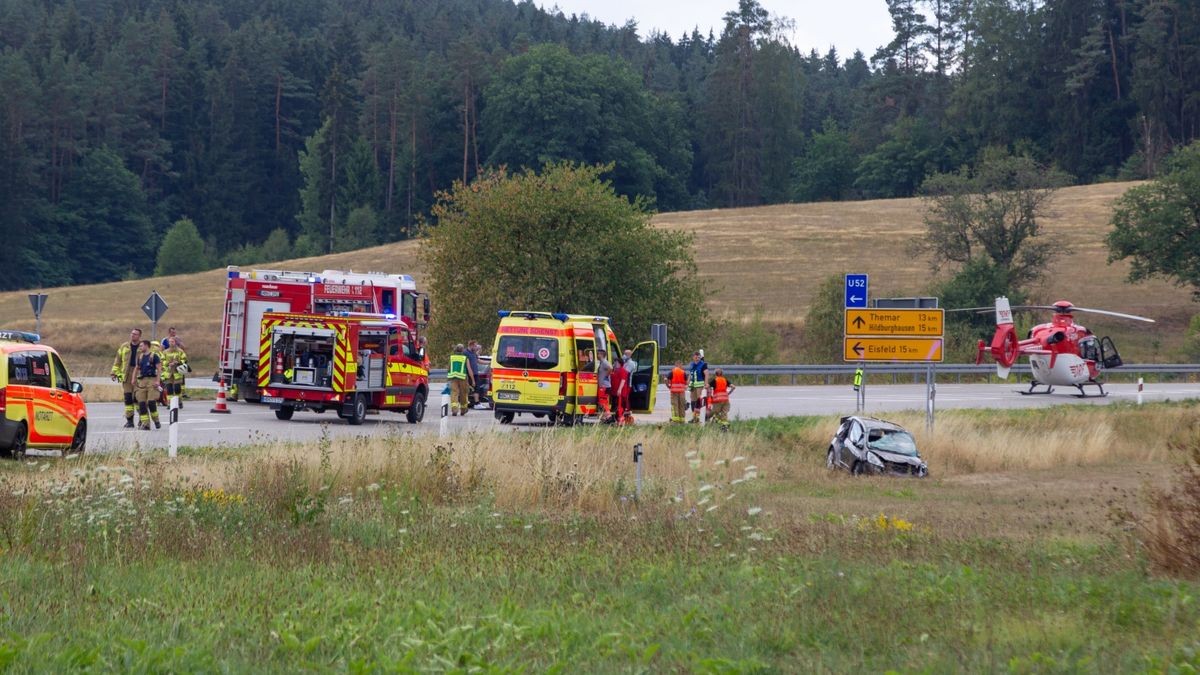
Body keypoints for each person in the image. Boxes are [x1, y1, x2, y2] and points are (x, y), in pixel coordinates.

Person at [110, 327, 143, 428]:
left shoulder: (143, 346)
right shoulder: (124, 346)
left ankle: (143, 419)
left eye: (135, 334)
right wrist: (114, 372)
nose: (133, 335)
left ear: (139, 336)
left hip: (139, 375)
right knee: (128, 398)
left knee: (137, 399)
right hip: (127, 375)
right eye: (132, 333)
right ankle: (129, 421)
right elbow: (118, 360)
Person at [133, 340, 163, 430]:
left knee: (151, 402)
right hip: (142, 381)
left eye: (141, 346)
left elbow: (159, 369)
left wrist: (158, 381)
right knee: (141, 403)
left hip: (152, 381)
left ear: (147, 346)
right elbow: (137, 368)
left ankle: (156, 420)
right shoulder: (140, 357)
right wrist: (133, 379)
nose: (140, 347)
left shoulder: (154, 356)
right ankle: (146, 424)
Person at [447, 343, 475, 416]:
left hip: (453, 377)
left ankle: (454, 409)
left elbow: (449, 368)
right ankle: (463, 410)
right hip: (463, 378)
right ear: (463, 350)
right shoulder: (465, 358)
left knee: (454, 393)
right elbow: (469, 369)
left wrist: (449, 377)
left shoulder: (452, 357)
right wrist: (473, 380)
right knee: (463, 394)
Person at [161, 336, 188, 408]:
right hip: (169, 373)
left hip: (177, 372)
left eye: (172, 341)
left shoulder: (180, 351)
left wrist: (178, 362)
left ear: (175, 342)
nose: (171, 343)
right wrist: (167, 363)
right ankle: (169, 403)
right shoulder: (165, 352)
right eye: (169, 342)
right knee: (169, 388)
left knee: (177, 388)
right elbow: (162, 361)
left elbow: (184, 359)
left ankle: (179, 401)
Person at [663, 359, 688, 423]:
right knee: (682, 405)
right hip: (682, 391)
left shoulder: (672, 372)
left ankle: (675, 420)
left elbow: (666, 379)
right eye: (681, 364)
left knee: (675, 405)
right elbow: (686, 382)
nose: (682, 366)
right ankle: (682, 420)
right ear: (679, 364)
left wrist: (668, 386)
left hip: (674, 391)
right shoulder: (683, 372)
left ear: (676, 365)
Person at [687, 350, 709, 424]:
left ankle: (699, 417)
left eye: (698, 357)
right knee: (693, 401)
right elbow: (691, 374)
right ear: (693, 357)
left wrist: (705, 383)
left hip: (700, 385)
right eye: (696, 357)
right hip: (693, 385)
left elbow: (706, 374)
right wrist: (688, 382)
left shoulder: (703, 364)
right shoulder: (692, 364)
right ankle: (694, 417)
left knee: (699, 401)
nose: (697, 358)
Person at [610, 356, 630, 423]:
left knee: (619, 405)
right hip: (613, 391)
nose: (615, 363)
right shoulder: (614, 370)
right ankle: (613, 418)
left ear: (619, 363)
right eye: (614, 362)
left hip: (620, 391)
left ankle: (619, 418)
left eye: (616, 362)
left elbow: (623, 380)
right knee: (614, 405)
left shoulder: (622, 370)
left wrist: (619, 389)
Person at [595, 349, 613, 418]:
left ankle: (608, 416)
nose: (597, 355)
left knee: (603, 401)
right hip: (603, 386)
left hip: (604, 386)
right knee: (603, 401)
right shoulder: (601, 362)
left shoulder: (604, 362)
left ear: (601, 355)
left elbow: (610, 368)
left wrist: (606, 375)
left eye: (598, 354)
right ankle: (605, 416)